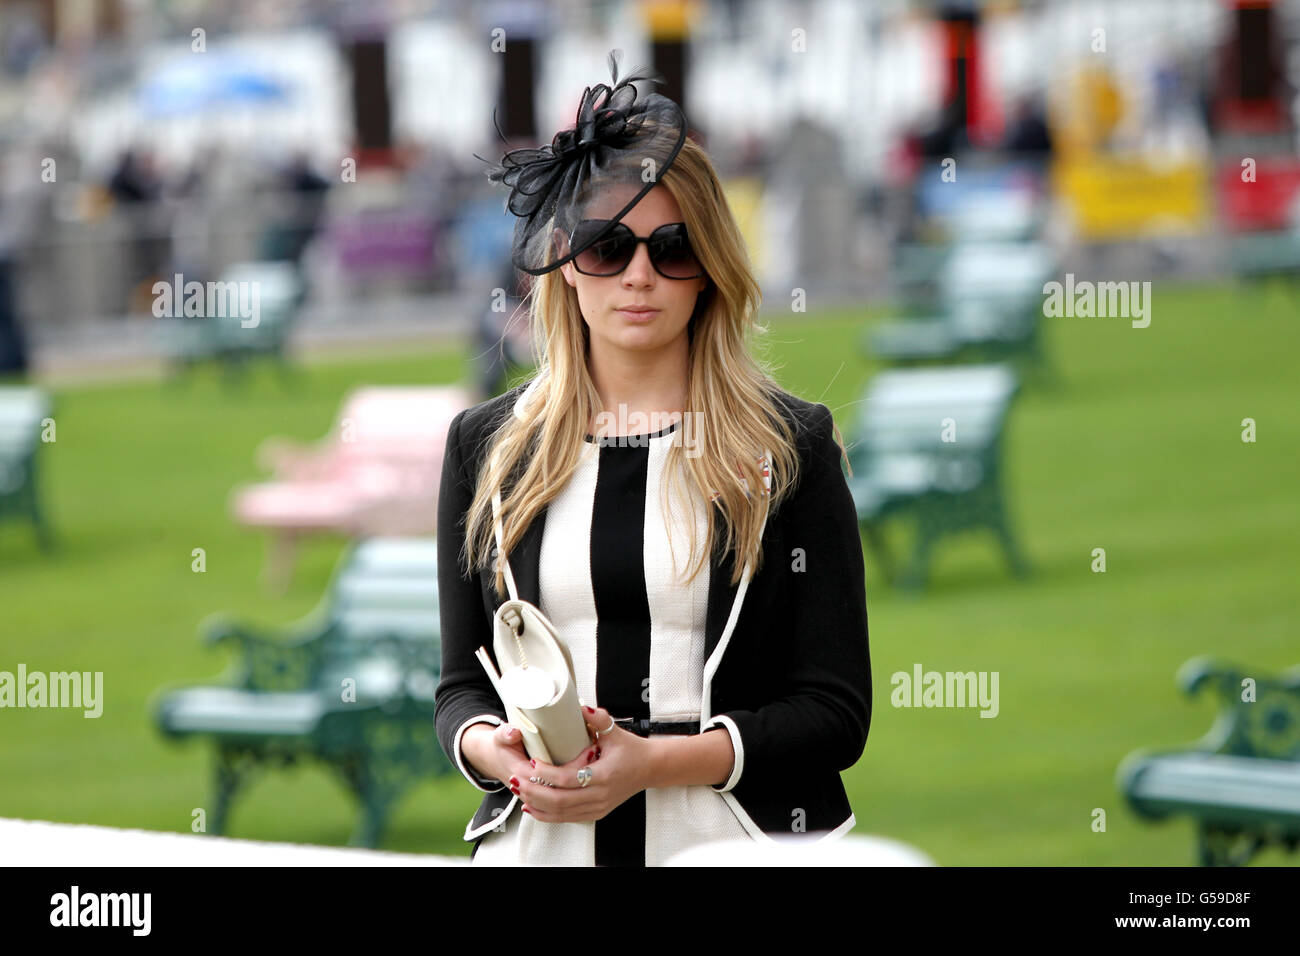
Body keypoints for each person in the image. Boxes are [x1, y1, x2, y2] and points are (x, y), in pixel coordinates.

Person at [434, 50, 871, 866]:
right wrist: (494, 753)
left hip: (737, 847)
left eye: (673, 247)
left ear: (710, 268)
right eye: (607, 246)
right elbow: (461, 685)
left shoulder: (791, 446)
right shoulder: (487, 447)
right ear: (564, 262)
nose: (640, 275)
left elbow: (836, 712)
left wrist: (651, 766)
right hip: (543, 849)